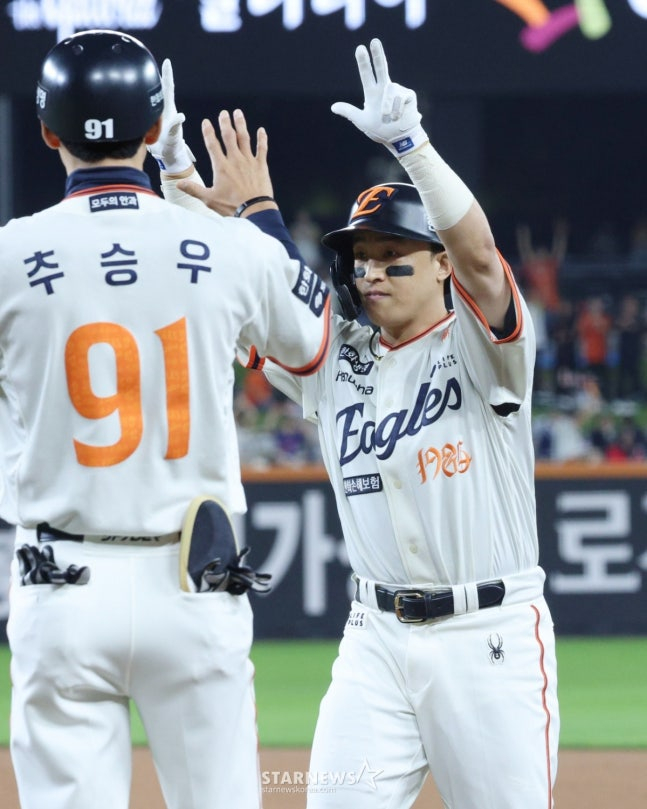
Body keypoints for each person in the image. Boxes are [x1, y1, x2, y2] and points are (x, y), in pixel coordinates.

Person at [162, 39, 559, 809]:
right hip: (374, 638)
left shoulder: (486, 350)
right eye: (361, 257)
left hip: (487, 636)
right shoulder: (335, 358)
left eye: (393, 254)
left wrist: (412, 145)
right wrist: (177, 176)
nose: (371, 270)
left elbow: (481, 257)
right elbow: (252, 288)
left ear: (438, 264)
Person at [2, 29, 330, 809]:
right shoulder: (227, 246)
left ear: (47, 132)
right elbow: (316, 342)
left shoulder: (10, 253)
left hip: (60, 581)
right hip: (193, 585)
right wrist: (249, 212)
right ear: (154, 127)